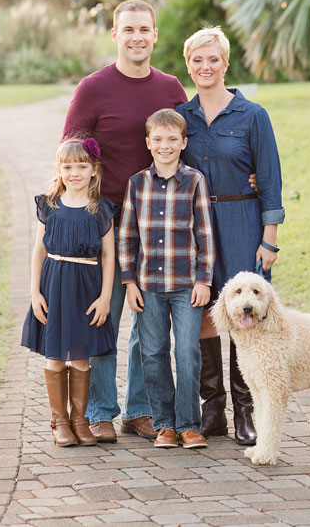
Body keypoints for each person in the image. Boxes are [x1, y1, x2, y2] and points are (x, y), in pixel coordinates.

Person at [62, 0, 187, 442]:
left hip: (158, 223)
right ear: (115, 35)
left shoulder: (171, 87)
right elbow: (70, 155)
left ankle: (139, 409)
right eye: (128, 29)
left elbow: (188, 145)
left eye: (144, 29)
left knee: (149, 321)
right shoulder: (93, 88)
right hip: (106, 219)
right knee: (105, 316)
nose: (137, 36)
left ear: (155, 35)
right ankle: (100, 410)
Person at [175, 27, 284, 446]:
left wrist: (268, 239)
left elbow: (270, 178)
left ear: (225, 63)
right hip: (196, 226)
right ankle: (213, 409)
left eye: (213, 59)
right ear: (189, 65)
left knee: (246, 316)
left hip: (242, 219)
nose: (206, 67)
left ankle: (245, 411)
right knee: (204, 311)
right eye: (197, 60)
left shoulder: (253, 115)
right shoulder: (180, 117)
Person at [119, 109, 215, 449]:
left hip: (187, 284)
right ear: (148, 143)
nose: (165, 146)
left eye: (172, 139)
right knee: (152, 353)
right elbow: (127, 236)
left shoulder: (195, 181)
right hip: (148, 286)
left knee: (187, 351)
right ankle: (164, 426)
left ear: (183, 142)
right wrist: (129, 282)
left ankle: (189, 424)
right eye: (158, 140)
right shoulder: (137, 184)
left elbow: (205, 234)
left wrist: (204, 280)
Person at [20, 137, 117, 447]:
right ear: (59, 170)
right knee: (56, 357)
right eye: (68, 166)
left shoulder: (100, 209)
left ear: (94, 171)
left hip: (87, 287)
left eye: (82, 166)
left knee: (81, 357)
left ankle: (80, 420)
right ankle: (59, 421)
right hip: (54, 283)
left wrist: (104, 297)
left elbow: (109, 257)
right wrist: (35, 292)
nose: (74, 172)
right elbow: (38, 250)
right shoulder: (48, 205)